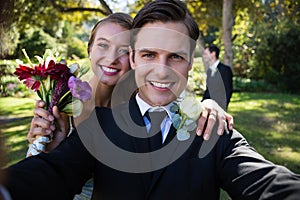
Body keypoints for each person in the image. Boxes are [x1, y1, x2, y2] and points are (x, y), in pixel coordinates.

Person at [4, 0, 300, 199]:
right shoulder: (99, 126)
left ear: (190, 63)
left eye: (175, 57)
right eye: (149, 54)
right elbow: (51, 173)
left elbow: (264, 179)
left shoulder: (213, 129)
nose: (161, 70)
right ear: (133, 58)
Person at [23, 9, 233, 200]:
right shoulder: (62, 98)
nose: (111, 58)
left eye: (123, 50)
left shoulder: (143, 98)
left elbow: (182, 101)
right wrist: (44, 146)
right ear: (89, 49)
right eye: (103, 45)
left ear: (134, 58)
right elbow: (46, 172)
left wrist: (209, 103)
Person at [202, 44, 233, 110]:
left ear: (213, 54)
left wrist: (221, 109)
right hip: (208, 108)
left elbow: (227, 91)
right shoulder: (209, 71)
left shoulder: (225, 70)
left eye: (205, 54)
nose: (203, 56)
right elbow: (208, 91)